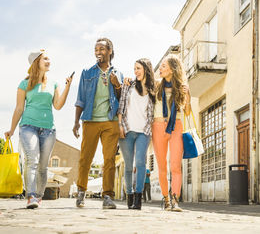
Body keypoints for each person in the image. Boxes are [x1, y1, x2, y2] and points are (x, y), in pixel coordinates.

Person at [5, 50, 73, 209]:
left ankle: (39, 197)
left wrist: (67, 87)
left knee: (43, 166)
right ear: (36, 62)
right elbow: (19, 108)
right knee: (32, 161)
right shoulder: (24, 84)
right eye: (45, 58)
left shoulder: (53, 83)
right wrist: (12, 129)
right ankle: (31, 196)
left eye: (49, 58)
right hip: (28, 126)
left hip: (48, 129)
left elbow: (57, 106)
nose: (49, 61)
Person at [73, 38, 123, 209]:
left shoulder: (117, 73)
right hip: (90, 120)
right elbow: (80, 98)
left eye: (102, 49)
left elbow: (121, 99)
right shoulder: (87, 72)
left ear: (110, 51)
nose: (98, 52)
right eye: (96, 49)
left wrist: (117, 86)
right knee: (85, 158)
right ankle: (81, 191)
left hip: (111, 121)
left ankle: (108, 196)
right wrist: (76, 122)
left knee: (109, 160)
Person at [152, 55, 191, 212]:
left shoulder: (182, 87)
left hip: (176, 126)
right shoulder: (156, 86)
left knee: (175, 165)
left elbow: (187, 112)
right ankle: (166, 199)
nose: (160, 68)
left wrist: (187, 96)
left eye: (163, 66)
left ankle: (175, 199)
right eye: (160, 66)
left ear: (172, 69)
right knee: (162, 166)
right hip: (158, 125)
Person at [118, 58, 155, 210]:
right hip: (127, 130)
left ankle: (138, 199)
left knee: (140, 163)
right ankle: (130, 196)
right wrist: (120, 125)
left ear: (146, 69)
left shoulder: (154, 89)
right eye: (134, 69)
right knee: (128, 165)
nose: (135, 71)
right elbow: (121, 105)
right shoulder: (129, 85)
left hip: (144, 132)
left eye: (138, 68)